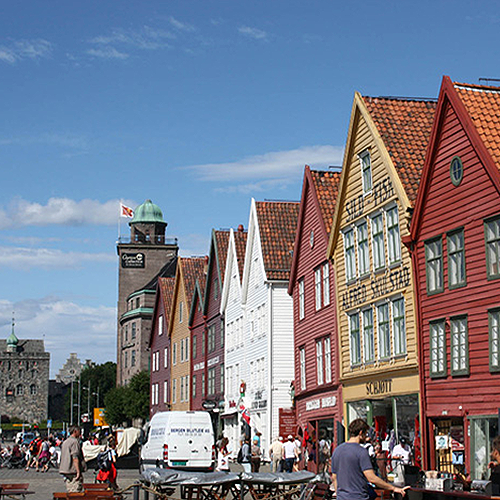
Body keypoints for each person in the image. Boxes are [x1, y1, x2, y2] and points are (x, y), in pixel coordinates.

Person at [331, 419, 408, 500]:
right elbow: (371, 478)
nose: (366, 437)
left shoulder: (337, 450)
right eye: (366, 434)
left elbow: (334, 477)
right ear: (361, 433)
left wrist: (340, 495)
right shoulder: (361, 452)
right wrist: (393, 488)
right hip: (358, 497)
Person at [59, 426, 86, 492]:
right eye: (79, 431)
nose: (80, 433)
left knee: (70, 490)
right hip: (73, 470)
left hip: (66, 469)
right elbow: (75, 457)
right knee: (76, 491)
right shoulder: (74, 442)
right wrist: (78, 471)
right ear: (75, 431)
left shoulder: (65, 442)